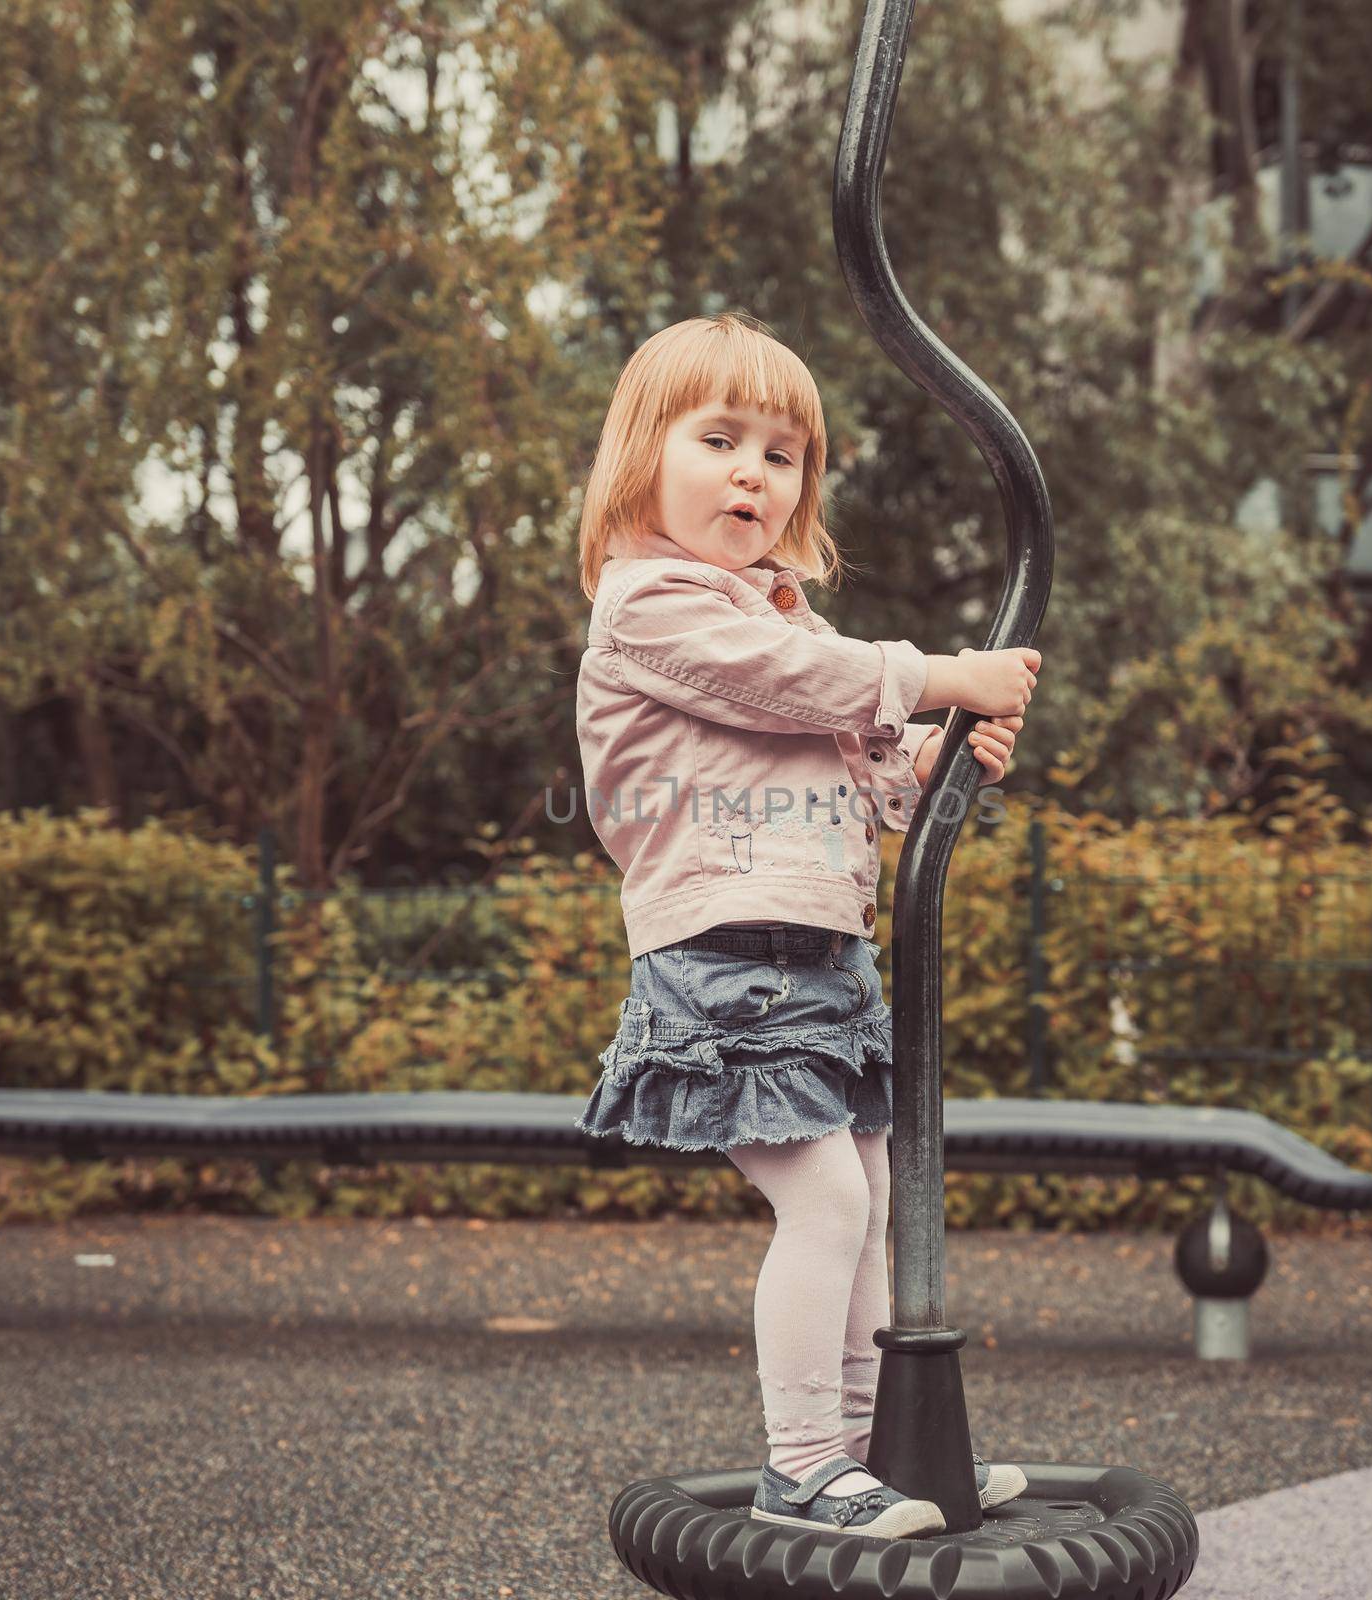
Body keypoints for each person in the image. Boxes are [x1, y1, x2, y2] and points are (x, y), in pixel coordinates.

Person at [571, 312, 1040, 1540]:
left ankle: (882, 1448)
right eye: (719, 439)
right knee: (825, 1204)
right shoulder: (650, 607)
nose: (752, 473)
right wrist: (942, 673)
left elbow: (870, 768)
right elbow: (785, 686)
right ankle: (803, 1463)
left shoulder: (789, 615)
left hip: (821, 953)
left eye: (781, 455)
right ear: (641, 457)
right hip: (724, 956)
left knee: (872, 1202)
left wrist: (947, 752)